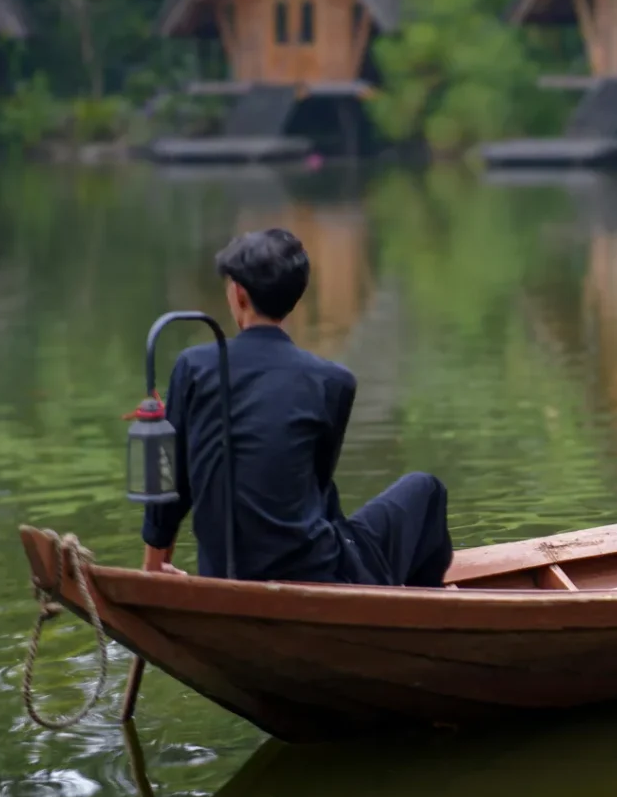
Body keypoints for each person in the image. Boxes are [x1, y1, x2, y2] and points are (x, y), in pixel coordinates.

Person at [141, 227, 453, 587]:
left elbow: (167, 483)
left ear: (238, 294)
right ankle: (413, 611)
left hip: (223, 577)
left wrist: (153, 570)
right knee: (426, 490)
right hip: (317, 574)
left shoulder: (192, 366)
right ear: (296, 296)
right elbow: (315, 486)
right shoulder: (332, 381)